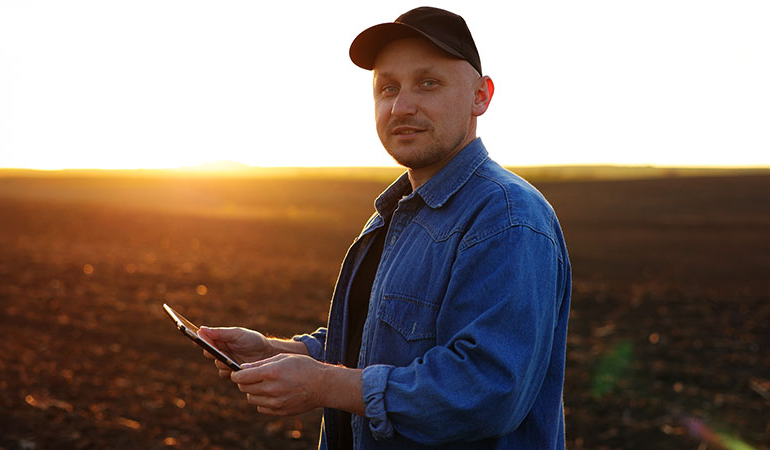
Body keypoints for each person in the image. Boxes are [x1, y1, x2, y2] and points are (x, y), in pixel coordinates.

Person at [199, 7, 571, 449]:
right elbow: (380, 344)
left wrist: (323, 385)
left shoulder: (507, 217)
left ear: (481, 96)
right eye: (387, 88)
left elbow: (487, 391)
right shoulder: (395, 212)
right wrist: (279, 351)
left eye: (428, 83)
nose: (401, 106)